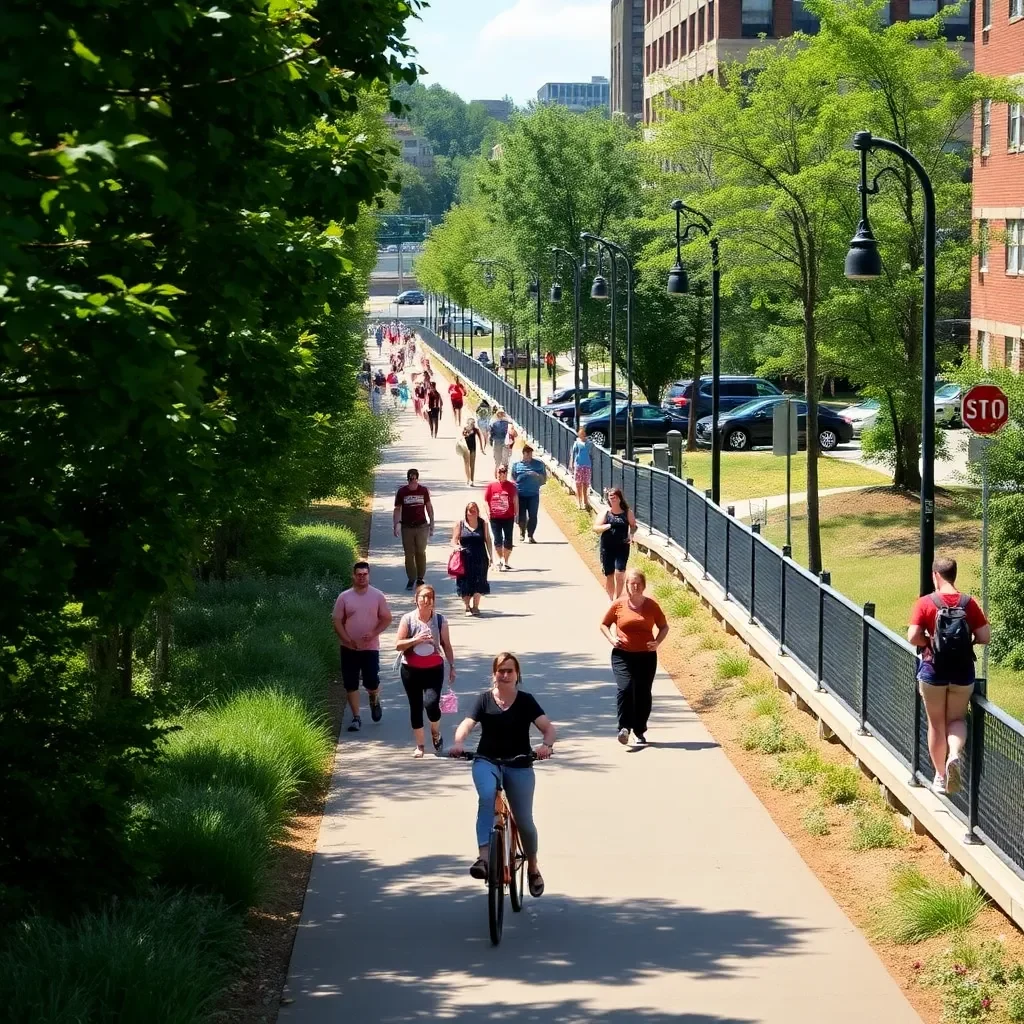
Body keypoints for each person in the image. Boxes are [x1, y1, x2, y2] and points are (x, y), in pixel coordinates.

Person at [450, 652, 556, 895]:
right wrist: (458, 743)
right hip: (486, 760)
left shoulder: (526, 701)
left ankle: (533, 867)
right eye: (501, 670)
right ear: (494, 674)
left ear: (517, 675)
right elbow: (466, 724)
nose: (505, 675)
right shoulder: (484, 699)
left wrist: (546, 746)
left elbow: (548, 729)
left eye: (510, 670)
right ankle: (484, 859)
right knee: (487, 797)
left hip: (519, 763)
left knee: (525, 822)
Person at [907, 557, 990, 795]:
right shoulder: (968, 603)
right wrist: (968, 643)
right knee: (956, 720)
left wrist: (929, 643)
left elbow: (913, 636)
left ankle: (941, 777)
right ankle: (954, 754)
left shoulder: (926, 602)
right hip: (962, 673)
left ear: (936, 576)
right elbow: (985, 636)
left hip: (933, 671)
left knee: (936, 724)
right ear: (954, 575)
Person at [600, 569, 669, 747]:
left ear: (644, 586)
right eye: (632, 583)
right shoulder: (619, 604)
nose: (635, 586)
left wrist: (657, 642)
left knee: (643, 693)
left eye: (638, 583)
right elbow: (604, 624)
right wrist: (612, 639)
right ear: (627, 586)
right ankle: (623, 728)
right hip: (622, 654)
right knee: (625, 688)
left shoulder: (652, 606)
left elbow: (664, 627)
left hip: (646, 656)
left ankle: (639, 731)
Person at [332, 562, 393, 733]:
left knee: (371, 680)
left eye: (364, 574)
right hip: (348, 647)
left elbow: (386, 618)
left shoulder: (378, 596)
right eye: (358, 574)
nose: (361, 577)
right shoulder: (344, 597)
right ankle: (356, 717)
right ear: (353, 576)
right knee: (350, 683)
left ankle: (374, 698)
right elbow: (337, 621)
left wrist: (374, 633)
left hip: (370, 647)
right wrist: (346, 638)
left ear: (369, 575)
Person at [395, 585, 455, 757]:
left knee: (431, 704)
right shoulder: (408, 619)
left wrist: (452, 666)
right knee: (415, 707)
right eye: (423, 596)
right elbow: (397, 644)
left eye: (430, 597)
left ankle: (436, 733)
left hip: (433, 669)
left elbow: (447, 645)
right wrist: (415, 640)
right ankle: (420, 745)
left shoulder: (440, 620)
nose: (426, 600)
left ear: (434, 600)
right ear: (416, 599)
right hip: (410, 670)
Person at [393, 468, 434, 590]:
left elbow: (429, 507)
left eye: (415, 478)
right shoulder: (402, 492)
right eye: (411, 479)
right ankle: (411, 578)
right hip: (407, 527)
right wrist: (396, 524)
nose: (413, 481)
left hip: (421, 526)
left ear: (417, 479)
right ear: (408, 479)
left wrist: (432, 523)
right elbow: (397, 509)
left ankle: (420, 577)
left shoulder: (423, 490)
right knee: (409, 554)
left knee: (420, 552)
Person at [594, 487, 638, 600]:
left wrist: (631, 535)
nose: (613, 498)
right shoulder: (605, 513)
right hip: (607, 548)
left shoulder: (627, 512)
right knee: (609, 575)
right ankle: (611, 599)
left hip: (622, 547)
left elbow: (633, 526)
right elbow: (595, 528)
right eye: (610, 496)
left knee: (620, 573)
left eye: (615, 496)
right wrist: (607, 526)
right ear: (608, 499)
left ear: (619, 498)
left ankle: (617, 599)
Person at [452, 501, 494, 616]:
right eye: (470, 510)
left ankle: (475, 607)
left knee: (479, 582)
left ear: (477, 511)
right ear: (466, 512)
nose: (472, 512)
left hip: (480, 557)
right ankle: (467, 607)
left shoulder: (483, 523)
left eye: (474, 509)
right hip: (464, 558)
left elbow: (488, 540)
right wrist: (456, 547)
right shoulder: (460, 524)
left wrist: (491, 556)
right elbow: (454, 540)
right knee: (465, 583)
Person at [483, 465, 518, 572]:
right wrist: (488, 511)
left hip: (508, 516)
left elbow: (515, 500)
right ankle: (500, 559)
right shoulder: (491, 486)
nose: (501, 475)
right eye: (499, 472)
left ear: (506, 474)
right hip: (495, 517)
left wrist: (516, 513)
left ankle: (505, 561)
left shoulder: (511, 486)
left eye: (503, 473)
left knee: (508, 539)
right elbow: (485, 500)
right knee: (497, 539)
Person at [511, 444, 547, 544]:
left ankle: (530, 535)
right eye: (527, 453)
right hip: (521, 494)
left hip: (533, 494)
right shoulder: (517, 465)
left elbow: (544, 479)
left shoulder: (539, 465)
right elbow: (514, 478)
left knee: (533, 515)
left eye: (530, 453)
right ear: (523, 454)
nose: (529, 455)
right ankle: (522, 531)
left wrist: (537, 476)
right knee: (521, 516)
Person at [569, 426, 593, 510]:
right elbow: (573, 453)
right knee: (578, 484)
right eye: (580, 433)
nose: (581, 435)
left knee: (585, 484)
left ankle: (585, 501)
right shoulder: (577, 443)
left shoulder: (589, 443)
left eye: (583, 433)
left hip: (587, 465)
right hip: (579, 465)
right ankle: (579, 501)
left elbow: (591, 454)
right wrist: (571, 463)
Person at [459, 416, 486, 485]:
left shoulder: (475, 430)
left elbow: (480, 438)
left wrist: (481, 448)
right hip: (466, 449)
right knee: (466, 464)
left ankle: (472, 480)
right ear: (468, 423)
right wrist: (466, 433)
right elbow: (462, 436)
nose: (472, 424)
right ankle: (467, 478)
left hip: (473, 449)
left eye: (473, 423)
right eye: (471, 423)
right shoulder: (465, 429)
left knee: (472, 465)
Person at [489, 408, 510, 473]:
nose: (501, 414)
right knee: (498, 458)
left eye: (502, 413)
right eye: (499, 413)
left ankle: (503, 472)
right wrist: (491, 439)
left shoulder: (507, 422)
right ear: (497, 414)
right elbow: (491, 432)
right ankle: (497, 471)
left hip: (504, 441)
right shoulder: (494, 422)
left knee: (504, 459)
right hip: (497, 441)